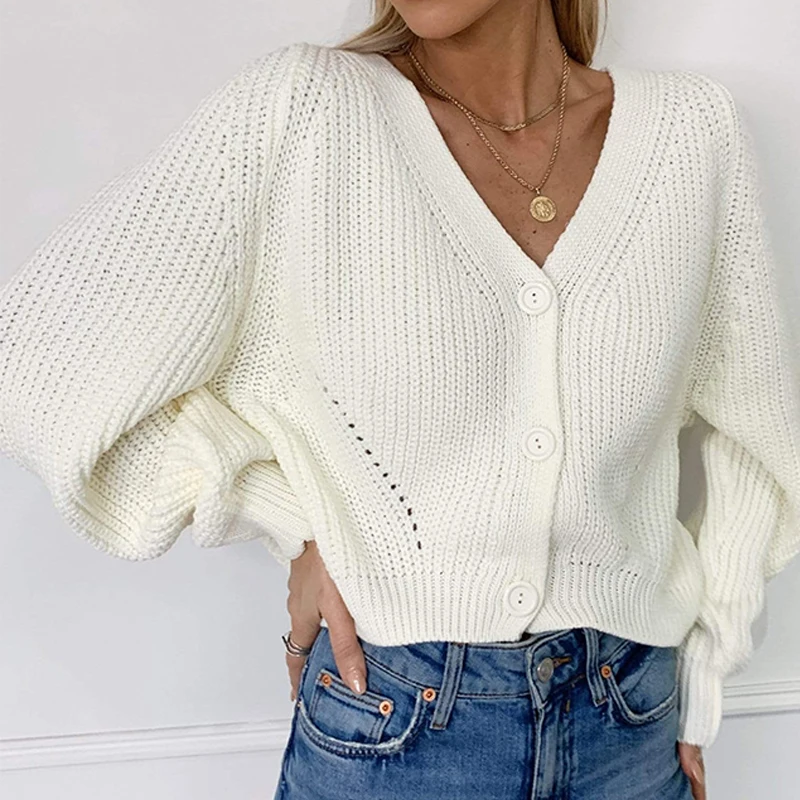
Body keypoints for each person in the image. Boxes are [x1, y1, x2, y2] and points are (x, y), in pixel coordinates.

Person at [1, 1, 798, 798]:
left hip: (629, 725)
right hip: (393, 724)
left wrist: (706, 673)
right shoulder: (306, 110)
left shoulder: (692, 133)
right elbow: (36, 360)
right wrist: (289, 520)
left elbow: (755, 432)